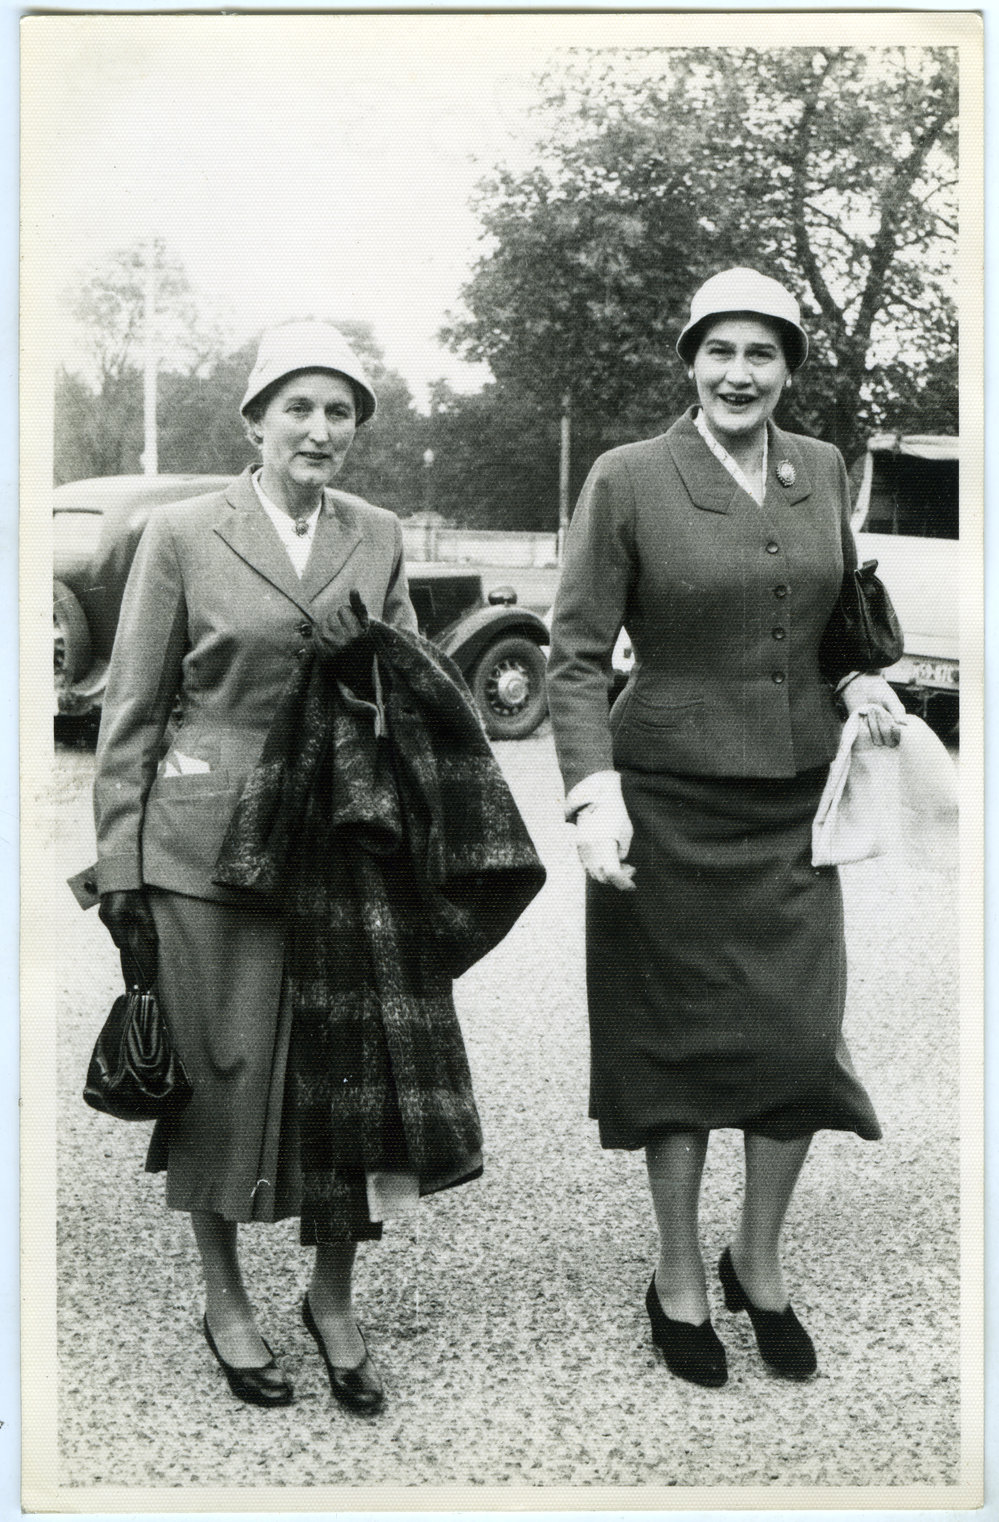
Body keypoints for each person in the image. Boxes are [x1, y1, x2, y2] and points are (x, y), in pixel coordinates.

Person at [92, 323, 543, 1414]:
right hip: (207, 850)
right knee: (220, 1073)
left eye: (342, 411)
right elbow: (135, 707)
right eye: (299, 407)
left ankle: (331, 1299)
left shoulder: (378, 532)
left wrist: (382, 672)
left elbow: (411, 695)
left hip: (346, 841)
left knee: (353, 1078)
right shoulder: (184, 533)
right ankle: (225, 1298)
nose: (321, 429)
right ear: (254, 420)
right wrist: (121, 865)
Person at [546, 268, 906, 1389]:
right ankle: (675, 1277)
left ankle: (757, 1260)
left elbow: (833, 626)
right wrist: (592, 796)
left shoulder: (823, 471)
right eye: (720, 351)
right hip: (665, 806)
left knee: (797, 1043)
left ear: (791, 368)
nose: (739, 373)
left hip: (795, 810)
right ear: (690, 361)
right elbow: (571, 656)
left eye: (762, 353)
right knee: (678, 1051)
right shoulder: (629, 478)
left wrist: (856, 685)